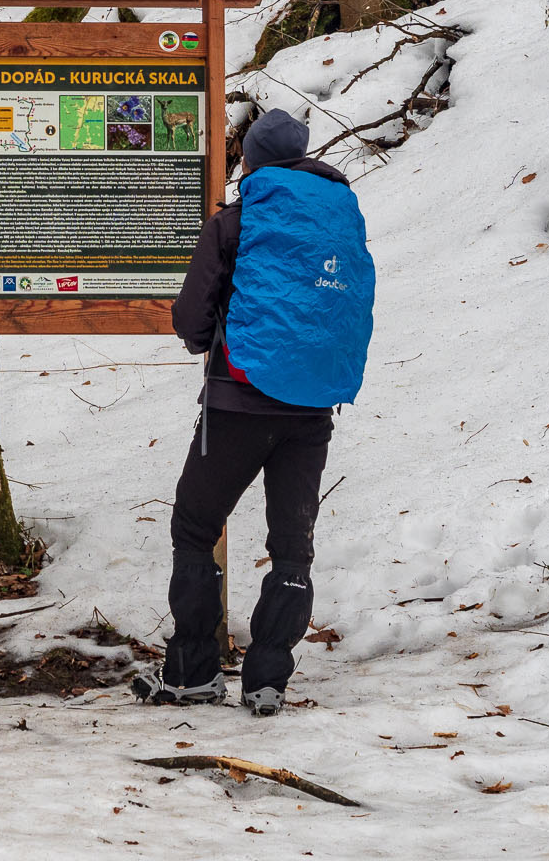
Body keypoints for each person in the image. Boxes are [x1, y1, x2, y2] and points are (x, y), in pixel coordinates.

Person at [135, 107, 371, 716]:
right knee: (292, 546)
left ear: (251, 161)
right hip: (313, 407)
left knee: (195, 525)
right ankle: (268, 679)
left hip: (239, 402)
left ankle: (192, 672)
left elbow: (191, 317)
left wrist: (209, 342)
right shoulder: (340, 219)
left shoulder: (235, 224)